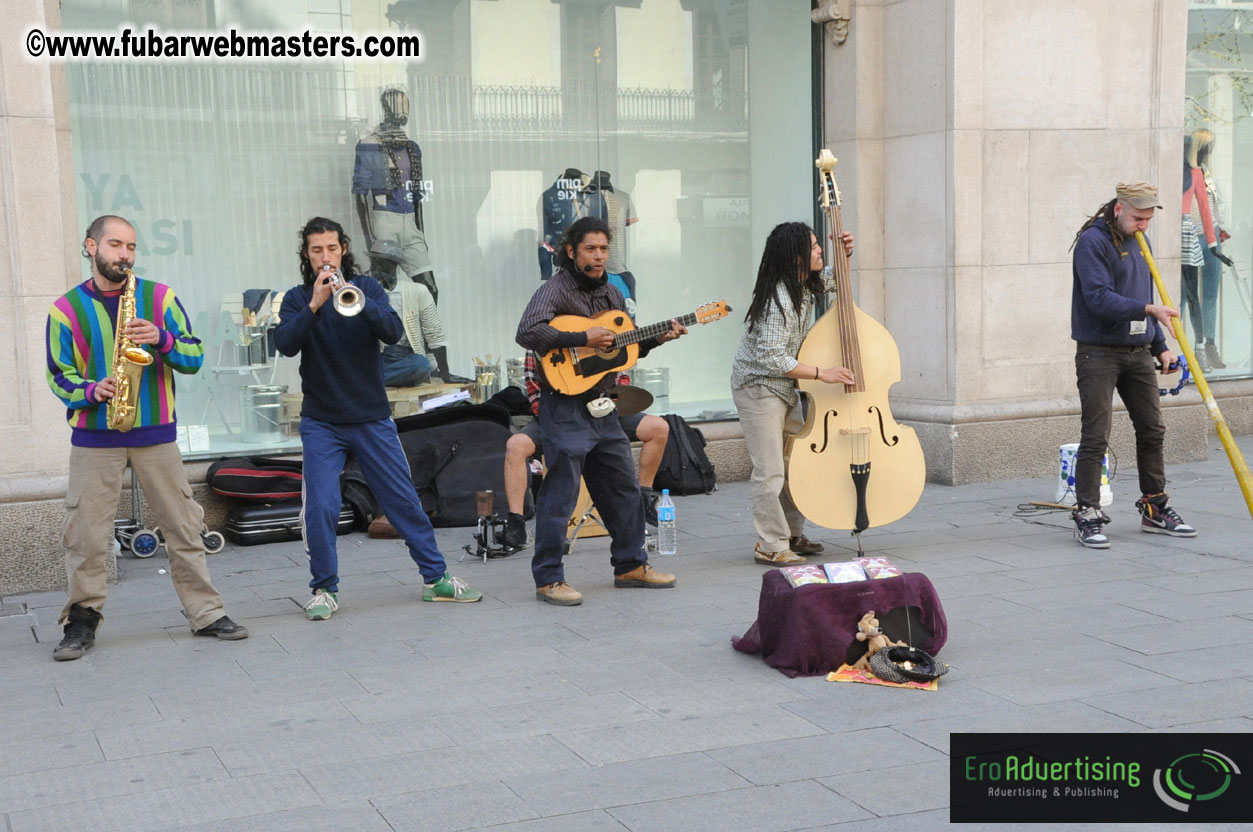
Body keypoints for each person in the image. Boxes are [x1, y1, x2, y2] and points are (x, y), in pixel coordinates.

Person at [45, 215, 248, 660]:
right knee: (85, 534)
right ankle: (81, 622)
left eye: (131, 247)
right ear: (90, 246)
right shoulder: (65, 310)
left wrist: (162, 338)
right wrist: (90, 390)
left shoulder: (159, 297)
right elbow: (59, 375)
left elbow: (194, 357)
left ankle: (207, 614)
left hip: (156, 435)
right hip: (96, 434)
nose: (125, 255)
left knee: (184, 525)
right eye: (115, 245)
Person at [274, 217, 481, 619]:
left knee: (402, 499)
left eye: (331, 249)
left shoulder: (366, 288)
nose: (325, 257)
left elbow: (390, 332)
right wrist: (316, 304)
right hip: (323, 422)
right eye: (316, 250)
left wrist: (359, 300)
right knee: (320, 506)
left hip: (370, 417)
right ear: (306, 254)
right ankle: (324, 589)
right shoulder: (297, 299)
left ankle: (435, 579)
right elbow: (284, 345)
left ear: (343, 250)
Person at [516, 216, 685, 605]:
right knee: (560, 492)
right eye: (590, 249)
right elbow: (527, 331)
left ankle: (630, 565)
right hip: (564, 405)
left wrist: (656, 339)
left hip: (604, 403)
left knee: (622, 486)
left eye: (604, 249)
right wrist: (582, 336)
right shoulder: (554, 289)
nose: (598, 256)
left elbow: (623, 349)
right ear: (572, 251)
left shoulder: (612, 293)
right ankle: (549, 579)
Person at [1068, 182, 1196, 549]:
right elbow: (1098, 299)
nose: (1143, 226)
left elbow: (1146, 298)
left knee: (1153, 428)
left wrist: (1160, 347)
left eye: (1148, 220)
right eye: (1138, 218)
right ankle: (1088, 512)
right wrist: (1146, 310)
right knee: (1096, 435)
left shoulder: (1140, 239)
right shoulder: (1093, 242)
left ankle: (1155, 506)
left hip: (1138, 349)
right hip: (1098, 351)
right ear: (1120, 209)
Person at [730, 222, 855, 566]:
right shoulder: (777, 300)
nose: (820, 251)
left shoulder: (802, 285)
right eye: (814, 246)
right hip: (759, 387)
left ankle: (793, 533)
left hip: (784, 386)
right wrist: (822, 374)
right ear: (796, 256)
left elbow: (833, 280)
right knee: (770, 469)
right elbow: (771, 356)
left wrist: (845, 254)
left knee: (794, 463)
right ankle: (771, 543)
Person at [502, 351, 670, 547]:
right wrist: (560, 421)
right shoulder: (541, 340)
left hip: (604, 413)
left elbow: (622, 383)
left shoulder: (607, 336)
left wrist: (611, 404)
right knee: (515, 445)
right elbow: (535, 393)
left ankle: (644, 495)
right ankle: (516, 523)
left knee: (659, 428)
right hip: (559, 416)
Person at [1181, 129, 1233, 371]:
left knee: (1209, 296)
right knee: (1186, 296)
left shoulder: (1205, 173)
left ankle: (1208, 347)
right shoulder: (1188, 172)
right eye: (1207, 146)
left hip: (1210, 237)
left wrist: (1217, 238)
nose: (1210, 151)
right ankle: (1183, 350)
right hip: (1191, 237)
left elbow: (1212, 206)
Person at [380, 273, 453, 386]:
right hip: (378, 355)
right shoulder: (364, 290)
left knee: (423, 365)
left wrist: (445, 373)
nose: (382, 268)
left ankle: (370, 379)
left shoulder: (417, 290)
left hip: (407, 356)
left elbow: (434, 333)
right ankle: (374, 378)